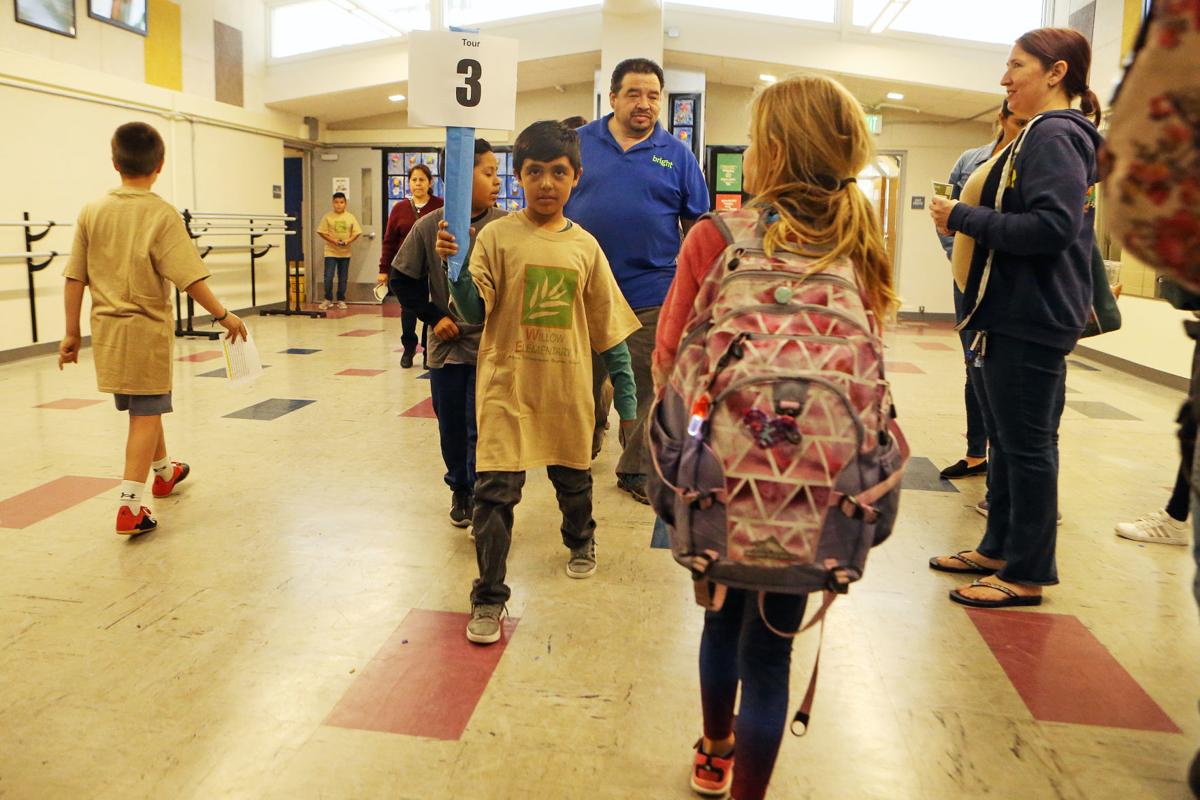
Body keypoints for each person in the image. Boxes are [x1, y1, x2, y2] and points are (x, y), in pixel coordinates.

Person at [652, 75, 898, 800]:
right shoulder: (859, 244)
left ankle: (715, 750)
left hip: (720, 483)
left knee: (720, 626)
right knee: (772, 654)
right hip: (818, 495)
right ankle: (751, 789)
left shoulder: (716, 236)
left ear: (779, 150)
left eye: (758, 138)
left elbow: (671, 355)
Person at [438, 120, 640, 645]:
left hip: (567, 391)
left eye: (558, 172)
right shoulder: (497, 237)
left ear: (576, 177)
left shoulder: (586, 248)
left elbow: (609, 330)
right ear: (518, 177)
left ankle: (581, 539)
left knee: (572, 481)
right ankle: (488, 597)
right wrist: (455, 268)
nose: (546, 182)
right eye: (535, 172)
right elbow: (473, 309)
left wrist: (628, 400)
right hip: (507, 387)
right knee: (494, 493)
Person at [928, 27, 1103, 608]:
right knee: (1005, 440)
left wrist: (963, 216)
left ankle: (1027, 571)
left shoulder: (1055, 134)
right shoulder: (1035, 135)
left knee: (1026, 446)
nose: (1004, 79)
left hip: (1030, 316)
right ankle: (997, 546)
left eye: (1017, 66)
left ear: (1056, 73)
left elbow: (1052, 228)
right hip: (1006, 313)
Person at [57, 121, 249, 536]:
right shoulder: (160, 213)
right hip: (144, 333)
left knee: (148, 406)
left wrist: (71, 333)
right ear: (160, 164)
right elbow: (189, 278)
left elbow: (75, 277)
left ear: (114, 162)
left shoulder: (92, 211)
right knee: (145, 415)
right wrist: (224, 315)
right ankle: (130, 506)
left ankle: (164, 473)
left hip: (106, 332)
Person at [564, 57, 709, 503]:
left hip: (651, 292)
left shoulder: (678, 155)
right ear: (612, 97)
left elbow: (698, 227)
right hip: (583, 293)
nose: (644, 104)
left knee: (648, 386)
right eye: (633, 93)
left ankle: (635, 468)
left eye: (652, 95)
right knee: (580, 385)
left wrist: (695, 291)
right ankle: (581, 445)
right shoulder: (578, 144)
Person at [391, 139, 503, 529]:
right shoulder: (428, 226)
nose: (497, 182)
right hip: (449, 350)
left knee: (487, 426)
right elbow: (402, 281)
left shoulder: (506, 226)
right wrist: (434, 316)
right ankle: (461, 488)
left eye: (497, 173)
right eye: (487, 173)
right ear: (457, 178)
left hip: (495, 350)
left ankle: (487, 492)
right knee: (453, 423)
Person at [937, 101, 1028, 482]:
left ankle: (1006, 466)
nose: (1024, 130)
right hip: (970, 280)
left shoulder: (1036, 161)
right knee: (973, 366)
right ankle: (977, 454)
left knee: (1001, 372)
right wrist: (960, 261)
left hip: (1012, 281)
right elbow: (945, 215)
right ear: (1001, 119)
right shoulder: (972, 160)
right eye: (1019, 122)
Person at [380, 163, 444, 367]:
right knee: (407, 309)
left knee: (430, 308)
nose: (418, 183)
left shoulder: (439, 206)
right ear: (409, 183)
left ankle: (427, 351)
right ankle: (408, 349)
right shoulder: (399, 209)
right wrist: (383, 270)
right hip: (406, 268)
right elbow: (389, 240)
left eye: (422, 179)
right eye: (414, 180)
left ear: (430, 182)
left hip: (432, 267)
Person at [317, 191, 361, 310]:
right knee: (328, 276)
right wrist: (333, 241)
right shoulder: (328, 217)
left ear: (345, 203)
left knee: (343, 277)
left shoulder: (350, 217)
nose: (339, 205)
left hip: (345, 253)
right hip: (330, 252)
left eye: (341, 202)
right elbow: (321, 232)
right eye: (336, 202)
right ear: (332, 203)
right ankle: (328, 299)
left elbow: (357, 232)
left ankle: (341, 299)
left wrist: (348, 241)